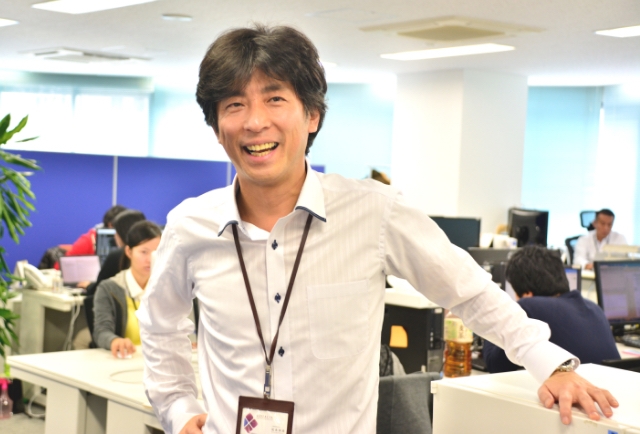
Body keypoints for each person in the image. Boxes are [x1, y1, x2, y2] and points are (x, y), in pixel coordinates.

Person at [138, 25, 617, 434]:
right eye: (235, 105)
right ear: (217, 126)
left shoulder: (374, 212)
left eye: (275, 98)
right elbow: (160, 327)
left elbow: (469, 290)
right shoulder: (191, 227)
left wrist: (549, 363)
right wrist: (179, 408)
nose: (255, 121)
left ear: (312, 115)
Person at [483, 246, 620, 373]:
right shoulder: (594, 307)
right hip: (613, 388)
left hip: (578, 390)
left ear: (527, 294)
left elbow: (495, 365)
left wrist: (494, 312)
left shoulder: (529, 306)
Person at [93, 220, 161, 358]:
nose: (150, 259)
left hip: (160, 360)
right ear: (129, 252)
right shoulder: (109, 288)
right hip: (126, 359)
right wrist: (114, 340)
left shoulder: (166, 287)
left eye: (157, 252)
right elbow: (101, 331)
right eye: (144, 252)